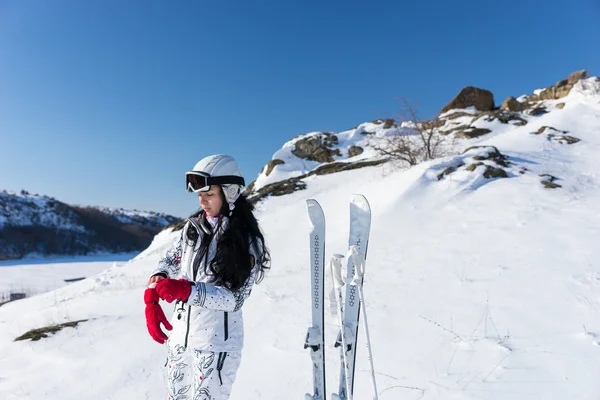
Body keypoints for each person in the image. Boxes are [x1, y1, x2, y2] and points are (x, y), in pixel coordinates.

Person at [143, 154, 270, 400]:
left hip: (216, 345)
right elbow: (170, 261)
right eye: (199, 195)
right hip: (180, 340)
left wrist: (187, 291)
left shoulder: (246, 241)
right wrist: (153, 293)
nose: (202, 201)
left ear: (230, 192)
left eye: (209, 194)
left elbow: (234, 298)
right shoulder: (193, 228)